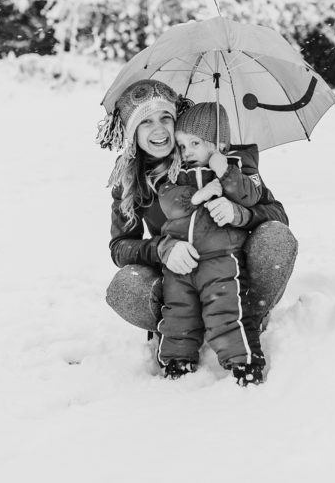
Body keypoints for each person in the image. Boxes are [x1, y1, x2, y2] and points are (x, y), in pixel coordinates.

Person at [97, 79, 297, 342]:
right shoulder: (130, 178)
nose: (159, 129)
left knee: (276, 237)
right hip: (179, 280)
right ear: (133, 130)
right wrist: (163, 249)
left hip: (231, 271)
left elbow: (277, 215)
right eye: (146, 121)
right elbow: (120, 247)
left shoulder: (214, 153)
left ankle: (248, 316)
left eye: (165, 117)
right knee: (125, 285)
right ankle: (179, 328)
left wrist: (240, 214)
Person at [155, 102, 265, 385]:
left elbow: (252, 196)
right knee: (179, 311)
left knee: (225, 311)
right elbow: (169, 202)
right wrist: (200, 194)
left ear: (220, 143)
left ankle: (243, 363)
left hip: (220, 259)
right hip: (181, 261)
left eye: (195, 142)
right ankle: (177, 360)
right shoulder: (175, 175)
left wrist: (225, 173)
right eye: (181, 145)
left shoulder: (237, 170)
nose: (186, 151)